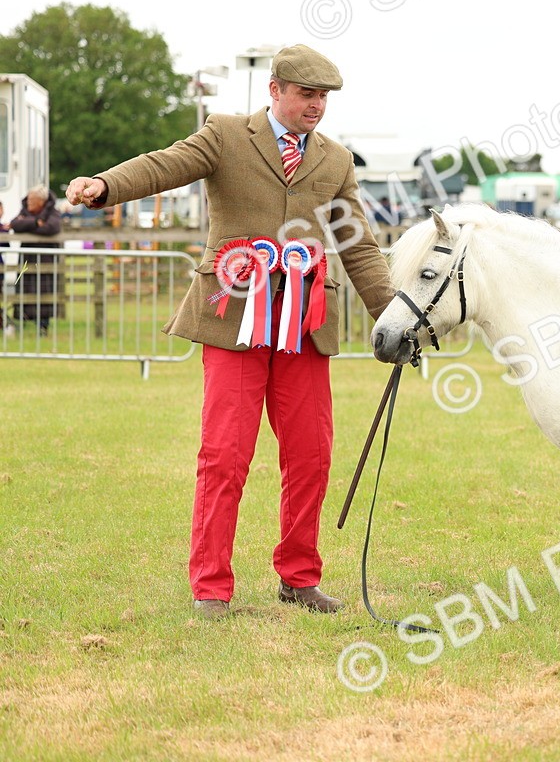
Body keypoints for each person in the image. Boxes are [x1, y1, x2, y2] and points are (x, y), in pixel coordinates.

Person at [66, 45, 396, 620]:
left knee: (312, 456)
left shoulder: (337, 161)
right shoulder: (223, 134)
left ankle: (299, 578)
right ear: (274, 90)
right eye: (305, 94)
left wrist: (392, 314)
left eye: (323, 97)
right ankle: (211, 586)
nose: (315, 106)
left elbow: (358, 244)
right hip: (231, 319)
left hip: (305, 327)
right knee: (225, 456)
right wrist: (105, 185)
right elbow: (161, 165)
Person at [8, 185, 63, 334]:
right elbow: (15, 224)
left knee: (44, 290)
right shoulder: (24, 210)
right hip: (27, 258)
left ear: (41, 202)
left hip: (46, 259)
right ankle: (24, 321)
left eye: (33, 200)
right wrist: (36, 222)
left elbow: (52, 227)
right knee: (25, 287)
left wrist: (27, 224)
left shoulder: (53, 212)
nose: (29, 203)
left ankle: (43, 326)